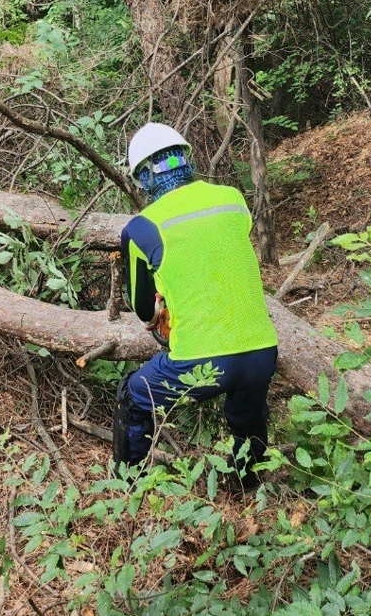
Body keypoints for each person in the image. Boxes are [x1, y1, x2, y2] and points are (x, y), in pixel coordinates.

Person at [113, 123, 279, 488]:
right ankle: (247, 485)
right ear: (185, 159)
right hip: (262, 353)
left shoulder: (141, 228)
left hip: (201, 364)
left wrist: (159, 310)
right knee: (246, 416)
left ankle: (130, 485)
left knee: (133, 394)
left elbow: (143, 310)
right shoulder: (234, 199)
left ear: (143, 177)